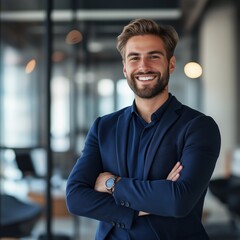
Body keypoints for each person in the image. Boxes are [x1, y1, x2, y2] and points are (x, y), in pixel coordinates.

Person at [66, 18, 221, 240]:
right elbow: (75, 197)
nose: (143, 66)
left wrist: (112, 184)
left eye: (154, 56)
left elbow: (178, 201)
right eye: (134, 58)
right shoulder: (104, 127)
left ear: (171, 64)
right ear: (125, 67)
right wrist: (151, 200)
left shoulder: (198, 127)